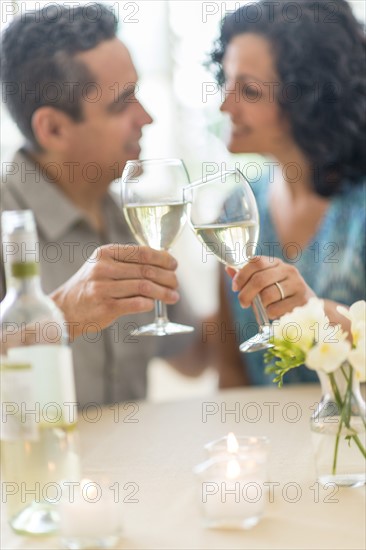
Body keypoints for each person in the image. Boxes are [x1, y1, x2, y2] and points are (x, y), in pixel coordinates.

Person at [0, 3, 205, 405]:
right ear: (54, 128)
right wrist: (59, 314)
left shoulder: (134, 218)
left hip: (134, 467)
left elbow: (195, 358)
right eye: (122, 103)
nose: (146, 117)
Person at [209, 0, 366, 386]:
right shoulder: (236, 210)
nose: (226, 105)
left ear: (308, 98)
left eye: (248, 91)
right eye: (227, 83)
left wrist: (317, 313)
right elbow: (230, 368)